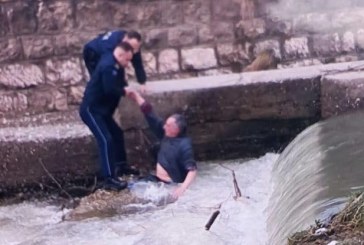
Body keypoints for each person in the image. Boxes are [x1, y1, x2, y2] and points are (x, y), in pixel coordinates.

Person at [79, 42, 139, 191]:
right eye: (127, 60)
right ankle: (109, 179)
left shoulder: (115, 64)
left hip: (102, 112)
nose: (128, 64)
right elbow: (109, 89)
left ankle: (121, 166)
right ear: (120, 55)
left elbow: (118, 83)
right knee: (106, 140)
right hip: (91, 111)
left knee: (117, 133)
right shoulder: (108, 66)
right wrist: (126, 92)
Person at [127, 90, 197, 198]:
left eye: (168, 125)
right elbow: (149, 113)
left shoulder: (184, 145)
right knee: (131, 187)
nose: (164, 127)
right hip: (156, 180)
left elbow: (192, 170)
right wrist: (136, 96)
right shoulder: (165, 132)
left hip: (170, 184)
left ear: (176, 129)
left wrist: (183, 188)